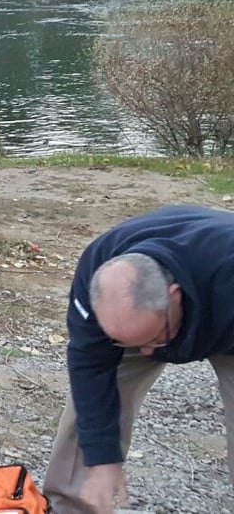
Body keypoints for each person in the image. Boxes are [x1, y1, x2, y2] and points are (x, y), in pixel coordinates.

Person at [44, 205, 234, 514]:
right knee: (88, 414)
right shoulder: (97, 271)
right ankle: (72, 506)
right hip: (146, 318)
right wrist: (102, 459)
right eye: (129, 341)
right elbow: (89, 371)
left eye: (153, 341)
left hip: (225, 309)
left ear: (174, 295)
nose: (148, 353)